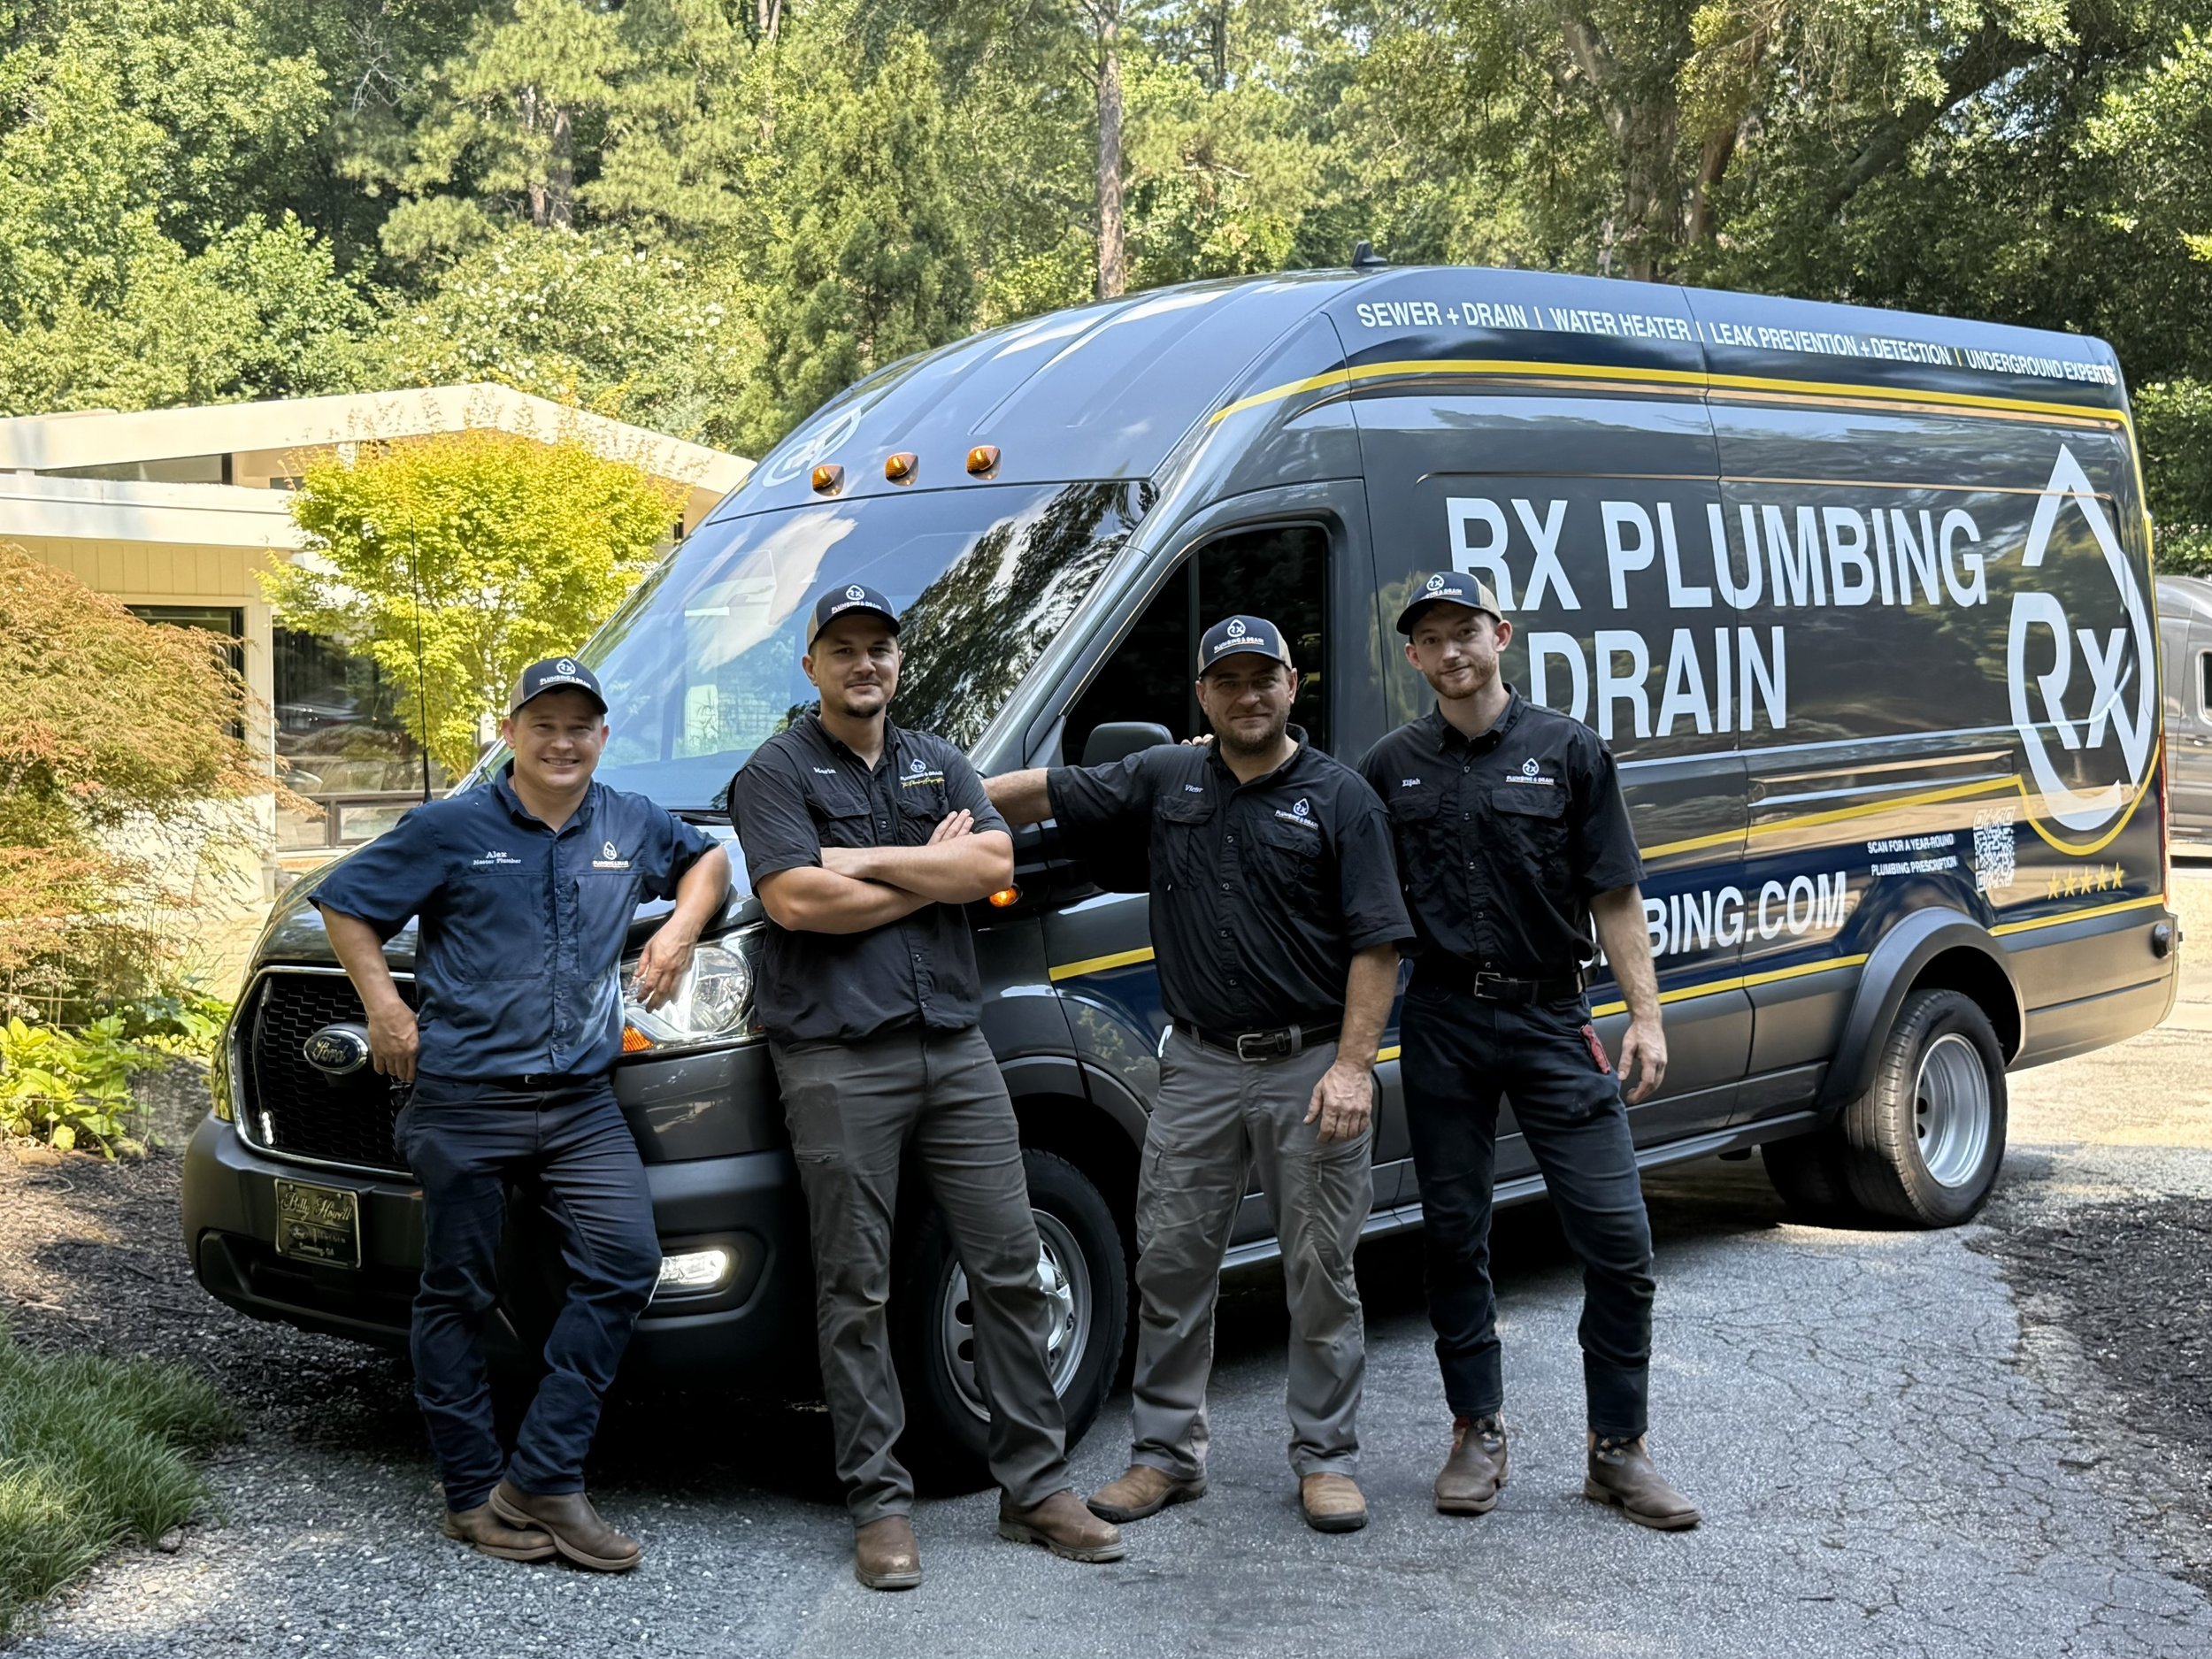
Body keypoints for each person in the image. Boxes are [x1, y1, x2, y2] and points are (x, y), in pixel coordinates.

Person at [728, 582, 1122, 1591]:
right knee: (855, 1285)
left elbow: (989, 863)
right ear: (810, 665)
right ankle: (880, 1506)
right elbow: (795, 900)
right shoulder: (771, 773)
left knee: (1009, 1261)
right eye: (844, 648)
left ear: (897, 662)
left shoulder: (938, 758)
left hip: (955, 1047)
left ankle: (1033, 1488)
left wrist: (865, 861)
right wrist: (921, 868)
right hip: (834, 1058)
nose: (865, 664)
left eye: (879, 648)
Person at [987, 613, 1410, 1534]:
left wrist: (1351, 1067)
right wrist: (931, 808)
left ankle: (1327, 1460)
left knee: (1320, 1272)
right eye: (1229, 680)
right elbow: (1047, 794)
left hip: (1308, 1066)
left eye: (1265, 678)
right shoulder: (1164, 776)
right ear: (1202, 695)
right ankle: (1166, 1457)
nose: (1248, 695)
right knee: (1173, 1265)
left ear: (1293, 687)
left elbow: (1377, 945)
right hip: (1197, 1068)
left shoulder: (1341, 799)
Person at [314, 657, 731, 1571]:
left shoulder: (625, 820)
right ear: (510, 734)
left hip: (580, 1105)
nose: (563, 741)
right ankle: (471, 1494)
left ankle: (542, 1475)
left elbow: (708, 861)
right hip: (463, 1101)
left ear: (603, 738)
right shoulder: (450, 826)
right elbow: (346, 904)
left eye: (580, 725)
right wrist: (386, 1007)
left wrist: (677, 927)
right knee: (456, 1295)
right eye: (543, 723)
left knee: (625, 1262)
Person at [1356, 572, 1699, 1530]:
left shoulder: (1569, 752)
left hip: (1555, 1020)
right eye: (1430, 637)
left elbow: (1615, 895)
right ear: (1414, 657)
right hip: (1443, 1025)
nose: (1451, 649)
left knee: (1620, 1245)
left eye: (1466, 629)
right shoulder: (1390, 768)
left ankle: (1617, 1452)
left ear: (1499, 634)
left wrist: (1648, 1016)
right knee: (1454, 1237)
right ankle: (1475, 1429)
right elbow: (1364, 916)